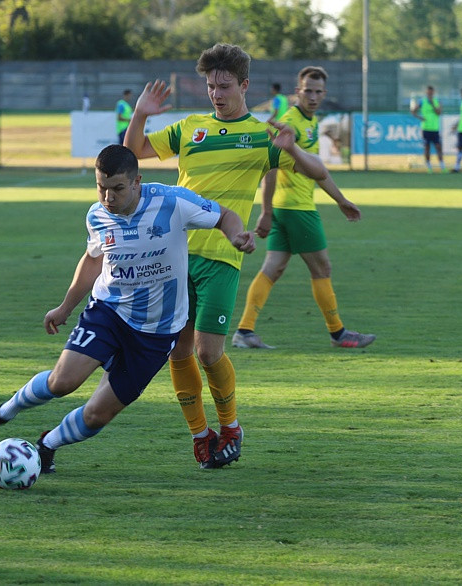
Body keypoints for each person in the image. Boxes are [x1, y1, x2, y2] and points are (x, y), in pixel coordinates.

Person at [124, 43, 350, 469]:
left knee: (209, 353)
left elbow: (319, 171)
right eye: (210, 86)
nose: (216, 93)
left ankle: (230, 426)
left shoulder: (263, 136)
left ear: (244, 85)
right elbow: (133, 151)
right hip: (172, 257)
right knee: (178, 352)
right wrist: (141, 113)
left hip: (221, 260)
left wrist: (293, 150)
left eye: (224, 86)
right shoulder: (190, 128)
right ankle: (200, 435)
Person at [0, 145, 254, 474]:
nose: (108, 198)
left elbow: (225, 216)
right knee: (63, 382)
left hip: (157, 333)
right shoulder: (97, 215)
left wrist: (236, 237)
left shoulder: (172, 202)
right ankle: (3, 412)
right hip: (109, 311)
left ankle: (47, 445)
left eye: (117, 188)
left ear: (137, 182)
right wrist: (65, 306)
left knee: (96, 415)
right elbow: (93, 260)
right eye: (101, 188)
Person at [232, 66, 376, 351]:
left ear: (324, 94)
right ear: (297, 91)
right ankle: (338, 333)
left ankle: (244, 331)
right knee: (322, 268)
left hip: (286, 209)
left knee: (273, 268)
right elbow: (275, 167)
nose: (312, 96)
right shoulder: (293, 122)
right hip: (298, 209)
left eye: (317, 91)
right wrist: (267, 210)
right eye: (307, 90)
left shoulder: (307, 120)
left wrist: (271, 210)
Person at [410, 85, 446, 173]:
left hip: (435, 128)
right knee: (427, 147)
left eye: (431, 92)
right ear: (426, 93)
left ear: (433, 93)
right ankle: (429, 167)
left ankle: (442, 166)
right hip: (426, 128)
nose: (430, 94)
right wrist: (420, 117)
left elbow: (438, 113)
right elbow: (413, 111)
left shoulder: (437, 101)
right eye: (428, 92)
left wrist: (433, 104)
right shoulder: (422, 102)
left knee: (438, 147)